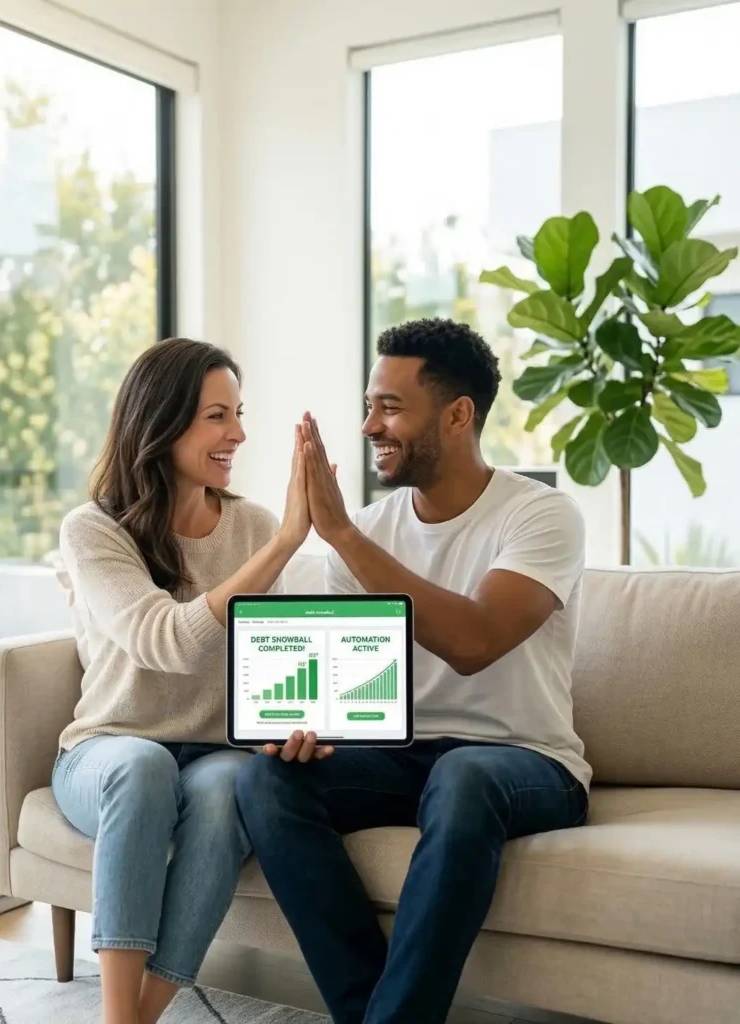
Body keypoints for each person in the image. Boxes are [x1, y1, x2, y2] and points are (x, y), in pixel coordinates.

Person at [235, 318, 590, 1024]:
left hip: (523, 762)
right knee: (266, 778)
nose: (369, 426)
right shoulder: (367, 529)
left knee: (464, 775)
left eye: (389, 407)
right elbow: (350, 683)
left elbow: (475, 639)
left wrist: (338, 534)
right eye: (368, 406)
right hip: (400, 756)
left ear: (458, 415)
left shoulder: (540, 517)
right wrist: (309, 728)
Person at [52, 338, 311, 1024]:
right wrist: (286, 543)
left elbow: (275, 661)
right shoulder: (95, 529)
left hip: (212, 754)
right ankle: (118, 1017)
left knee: (231, 784)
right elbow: (161, 641)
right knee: (141, 767)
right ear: (161, 422)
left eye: (238, 413)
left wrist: (294, 726)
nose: (238, 435)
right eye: (216, 417)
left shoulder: (250, 525)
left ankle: (145, 1013)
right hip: (106, 751)